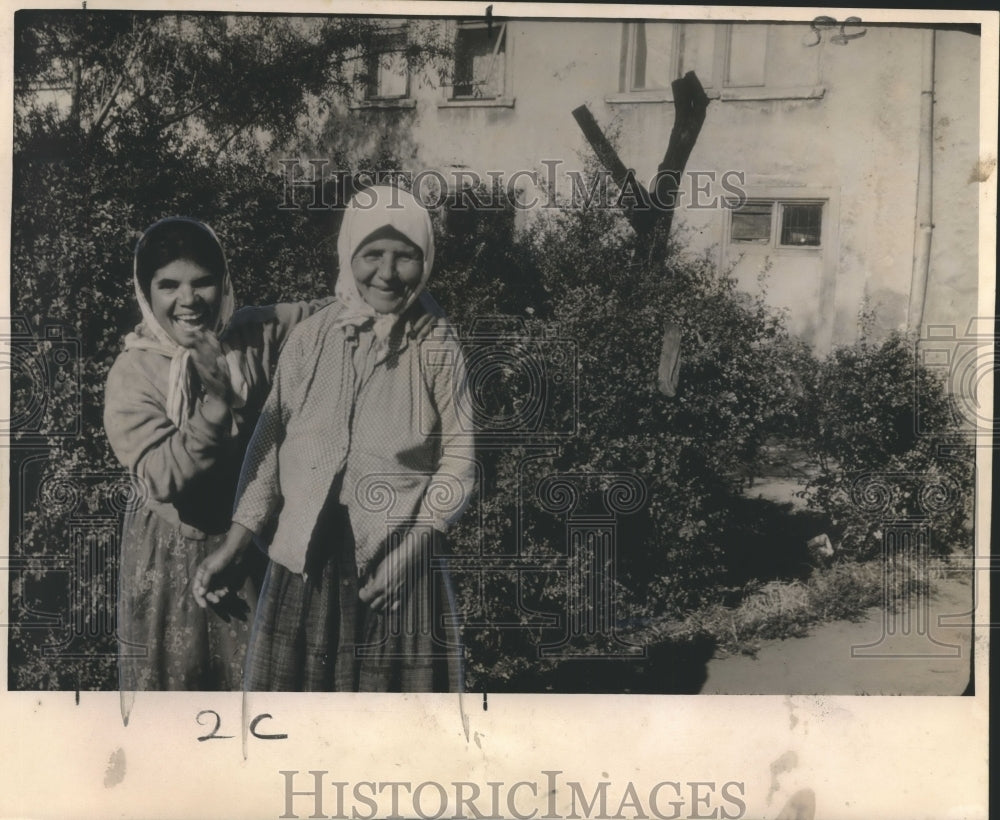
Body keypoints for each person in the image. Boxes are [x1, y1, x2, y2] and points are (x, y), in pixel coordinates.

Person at [193, 186, 475, 692]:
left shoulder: (437, 344)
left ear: (425, 259)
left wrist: (412, 551)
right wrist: (234, 547)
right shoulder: (312, 338)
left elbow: (459, 461)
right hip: (306, 563)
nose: (387, 273)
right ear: (349, 255)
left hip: (393, 569)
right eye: (372, 255)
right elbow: (269, 445)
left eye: (405, 256)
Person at [103, 217, 340, 690]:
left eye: (202, 282)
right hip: (172, 553)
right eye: (168, 285)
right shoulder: (133, 373)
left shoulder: (254, 335)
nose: (188, 301)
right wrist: (217, 403)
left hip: (252, 541)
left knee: (263, 688)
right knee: (178, 693)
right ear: (146, 293)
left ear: (224, 283)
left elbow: (334, 313)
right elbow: (163, 478)